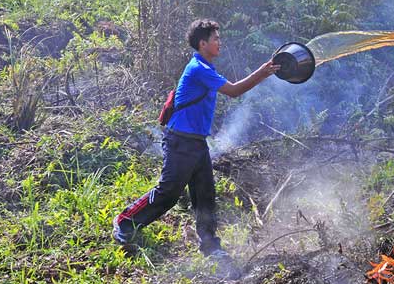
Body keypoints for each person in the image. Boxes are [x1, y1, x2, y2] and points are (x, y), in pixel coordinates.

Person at [113, 19, 280, 259]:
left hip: (196, 142)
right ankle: (125, 221)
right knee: (168, 192)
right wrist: (263, 72)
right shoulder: (199, 69)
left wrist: (264, 72)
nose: (219, 43)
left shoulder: (206, 68)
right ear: (203, 43)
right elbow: (233, 91)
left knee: (205, 195)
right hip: (181, 141)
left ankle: (211, 246)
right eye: (215, 39)